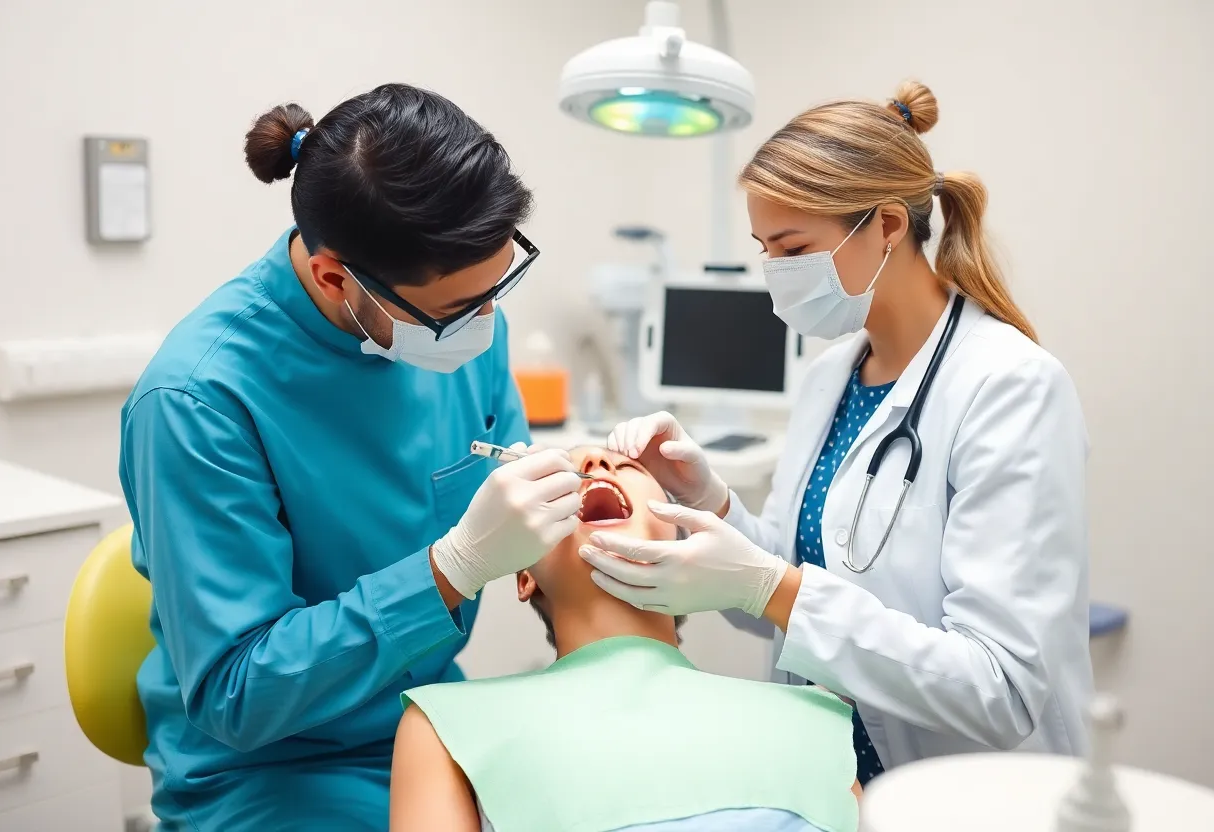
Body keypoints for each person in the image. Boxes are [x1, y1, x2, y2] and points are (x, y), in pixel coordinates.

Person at [580, 81, 1093, 784]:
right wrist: (710, 502)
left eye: (793, 248)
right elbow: (784, 597)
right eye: (765, 249)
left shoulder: (1011, 387)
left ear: (887, 225)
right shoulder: (831, 379)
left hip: (971, 792)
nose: (775, 274)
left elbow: (1000, 690)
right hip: (836, 785)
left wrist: (769, 586)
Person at [118, 84, 585, 831]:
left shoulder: (462, 319)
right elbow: (236, 693)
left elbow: (509, 489)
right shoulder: (199, 400)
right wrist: (452, 567)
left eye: (497, 288)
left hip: (430, 718)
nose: (487, 324)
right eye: (458, 310)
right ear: (335, 277)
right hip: (271, 768)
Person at [390, 447, 862, 832]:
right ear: (524, 574)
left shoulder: (815, 720)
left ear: (686, 544)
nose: (596, 463)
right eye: (564, 471)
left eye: (629, 466)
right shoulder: (446, 728)